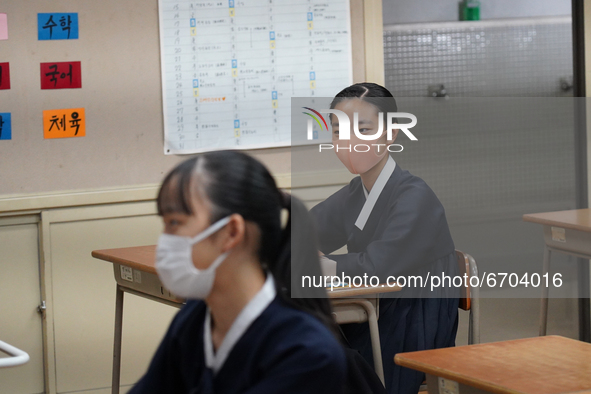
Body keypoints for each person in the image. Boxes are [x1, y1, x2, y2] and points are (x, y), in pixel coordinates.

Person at [129, 151, 347, 393]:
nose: (164, 241)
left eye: (175, 223)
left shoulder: (307, 352)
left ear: (231, 232)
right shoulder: (194, 318)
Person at [310, 83, 460, 394]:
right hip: (373, 312)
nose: (348, 141)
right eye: (338, 131)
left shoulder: (415, 196)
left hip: (412, 322)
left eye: (362, 129)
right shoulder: (356, 192)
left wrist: (318, 265)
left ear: (390, 134)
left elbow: (379, 266)